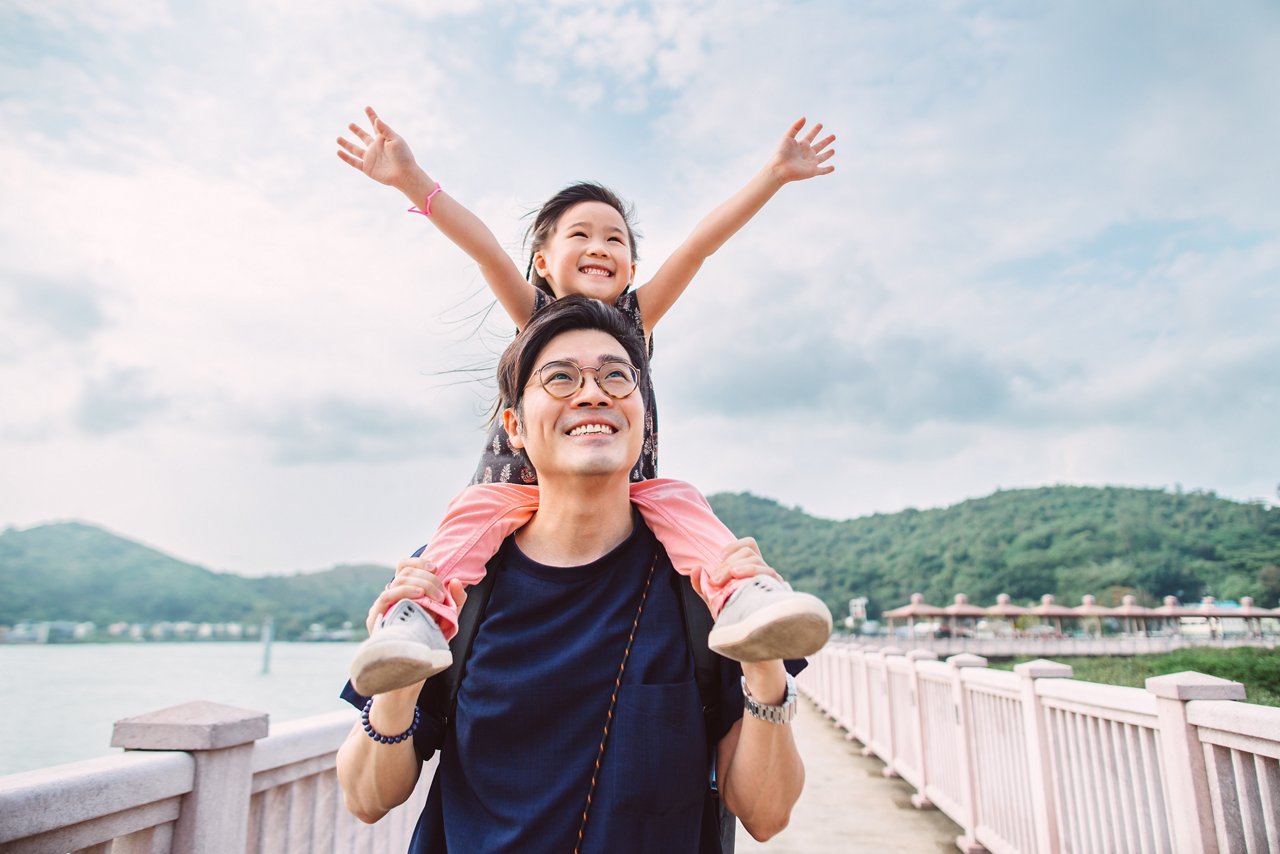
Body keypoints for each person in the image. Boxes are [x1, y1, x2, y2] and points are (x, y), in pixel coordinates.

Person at [336, 107, 835, 697]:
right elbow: (488, 252)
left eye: (615, 238)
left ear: (630, 267)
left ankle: (743, 595)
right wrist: (411, 180)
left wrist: (773, 175)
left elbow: (699, 246)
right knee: (464, 526)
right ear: (544, 262)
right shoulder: (538, 319)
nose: (600, 245)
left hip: (620, 490)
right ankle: (417, 620)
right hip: (516, 488)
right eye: (580, 234)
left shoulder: (635, 320)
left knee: (680, 502)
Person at [336, 296, 806, 852]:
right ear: (514, 426)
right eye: (560, 378)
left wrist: (765, 668)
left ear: (641, 414)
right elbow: (367, 799)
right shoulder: (455, 582)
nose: (593, 392)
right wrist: (399, 691)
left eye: (616, 376)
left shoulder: (701, 584)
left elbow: (766, 815)